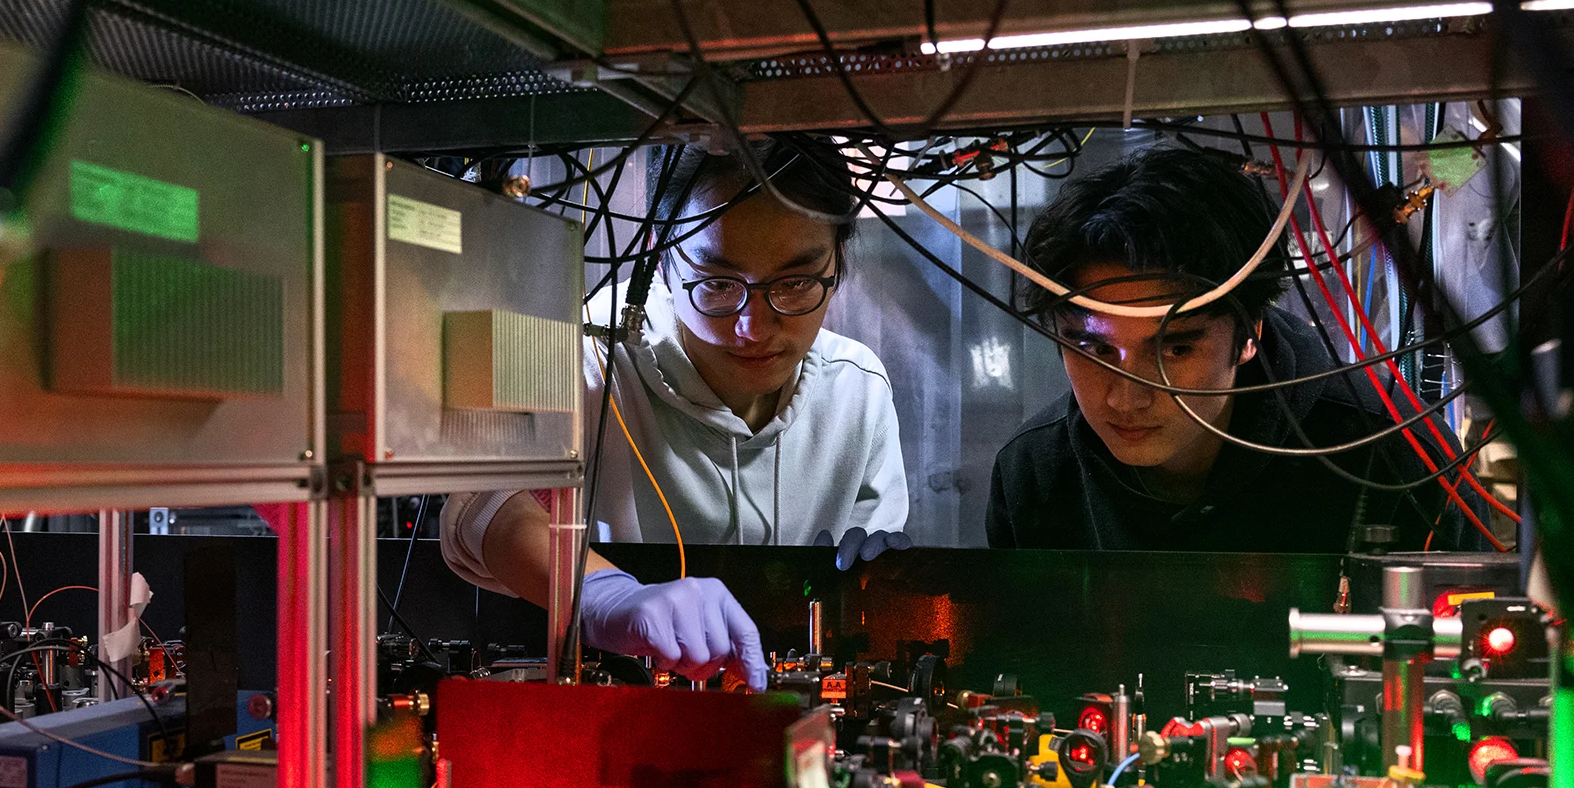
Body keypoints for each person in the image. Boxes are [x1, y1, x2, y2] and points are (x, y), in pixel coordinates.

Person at [442, 136, 911, 687]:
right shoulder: (584, 355)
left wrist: (881, 579)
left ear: (837, 262)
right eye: (716, 283)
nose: (753, 328)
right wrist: (603, 596)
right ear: (663, 261)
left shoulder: (857, 388)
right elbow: (482, 505)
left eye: (796, 282)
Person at [987, 145, 1481, 553]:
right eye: (1091, 347)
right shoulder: (1033, 474)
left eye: (1174, 350)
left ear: (1250, 335)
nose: (1124, 398)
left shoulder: (1391, 456)